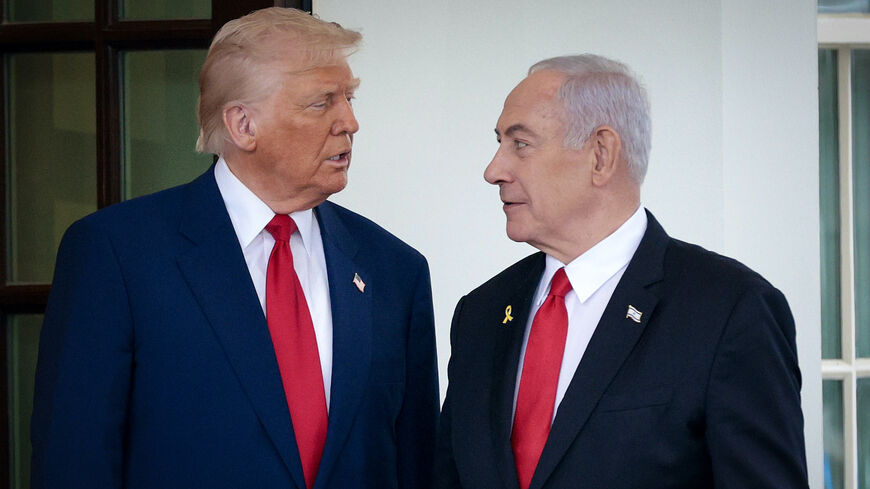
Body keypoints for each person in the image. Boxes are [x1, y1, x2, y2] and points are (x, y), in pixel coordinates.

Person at [31, 8, 438, 489]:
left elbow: (418, 465)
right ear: (243, 125)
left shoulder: (394, 269)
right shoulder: (117, 253)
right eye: (321, 102)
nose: (349, 121)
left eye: (348, 98)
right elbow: (75, 463)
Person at [434, 54, 808, 489]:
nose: (493, 170)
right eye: (499, 143)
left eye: (520, 144)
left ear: (600, 155)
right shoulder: (481, 314)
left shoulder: (730, 311)